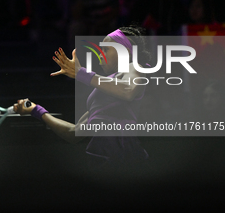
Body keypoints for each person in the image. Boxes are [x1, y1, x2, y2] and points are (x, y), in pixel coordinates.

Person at [14, 25, 151, 170]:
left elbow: (127, 90)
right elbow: (74, 133)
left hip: (123, 156)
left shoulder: (134, 67)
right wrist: (38, 111)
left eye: (106, 49)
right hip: (104, 156)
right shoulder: (102, 94)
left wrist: (82, 74)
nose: (100, 54)